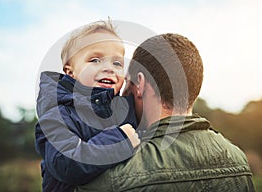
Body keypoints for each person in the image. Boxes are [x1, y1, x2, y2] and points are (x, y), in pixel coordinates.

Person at [75, 33, 255, 191]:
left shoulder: (114, 172)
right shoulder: (238, 158)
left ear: (140, 84)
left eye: (128, 85)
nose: (123, 95)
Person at [35, 20, 140, 192]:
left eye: (117, 63)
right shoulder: (58, 114)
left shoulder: (123, 109)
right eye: (95, 60)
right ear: (71, 72)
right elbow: (66, 164)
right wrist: (119, 139)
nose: (108, 68)